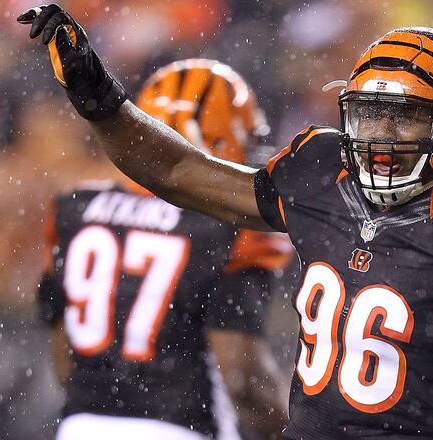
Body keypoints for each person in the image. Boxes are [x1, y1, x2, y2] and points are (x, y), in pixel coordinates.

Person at [19, 5, 433, 439]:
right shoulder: (322, 175)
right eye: (370, 116)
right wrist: (101, 100)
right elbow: (178, 173)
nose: (381, 137)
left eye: (405, 119)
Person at [36, 58, 292, 440]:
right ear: (220, 141)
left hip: (80, 425)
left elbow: (64, 356)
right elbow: (243, 380)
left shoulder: (75, 209)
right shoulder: (230, 230)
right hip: (183, 426)